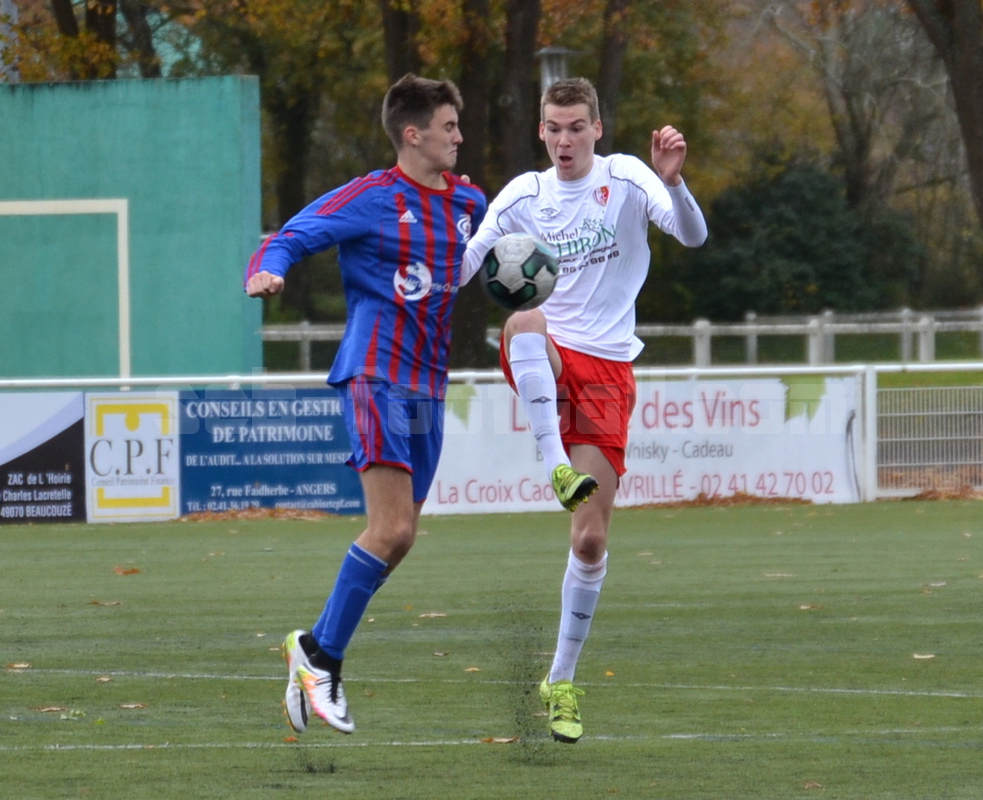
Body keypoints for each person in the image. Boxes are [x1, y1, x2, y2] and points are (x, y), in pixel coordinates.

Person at [462, 77, 708, 743]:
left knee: (592, 539)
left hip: (608, 370)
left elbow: (692, 235)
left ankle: (560, 680)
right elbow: (467, 265)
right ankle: (555, 467)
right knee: (526, 318)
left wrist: (675, 181)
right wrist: (444, 243)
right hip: (549, 352)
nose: (564, 139)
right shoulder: (523, 196)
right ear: (541, 132)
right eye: (553, 128)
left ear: (597, 129)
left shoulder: (628, 179)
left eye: (575, 127)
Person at [244, 74, 487, 735]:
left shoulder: (471, 204)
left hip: (429, 389)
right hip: (375, 373)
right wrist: (269, 270)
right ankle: (323, 662)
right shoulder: (373, 198)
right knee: (392, 529)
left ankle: (315, 650)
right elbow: (292, 234)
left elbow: (506, 260)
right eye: (448, 127)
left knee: (400, 539)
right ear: (413, 135)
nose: (459, 136)